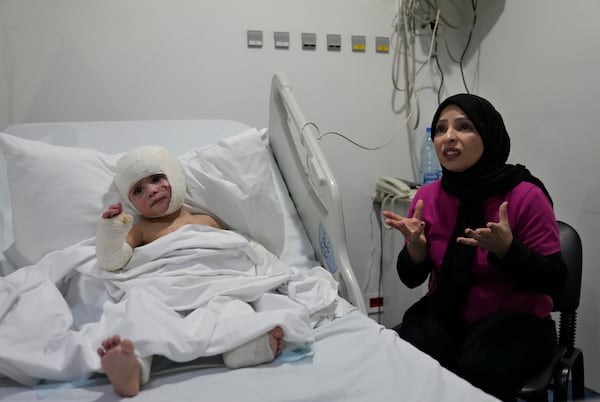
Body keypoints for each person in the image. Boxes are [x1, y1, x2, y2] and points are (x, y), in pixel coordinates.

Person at [382, 94, 567, 402]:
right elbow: (412, 278)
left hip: (518, 321)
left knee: (477, 371)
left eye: (463, 126)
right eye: (440, 130)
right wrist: (415, 249)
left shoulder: (525, 195)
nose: (448, 137)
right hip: (447, 313)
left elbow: (554, 280)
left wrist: (509, 251)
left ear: (488, 134)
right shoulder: (426, 197)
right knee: (403, 357)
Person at [94, 145, 284, 397]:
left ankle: (247, 347)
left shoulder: (206, 220)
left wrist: (264, 261)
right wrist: (111, 232)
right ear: (132, 203)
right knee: (141, 311)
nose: (151, 190)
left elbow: (237, 247)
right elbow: (114, 260)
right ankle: (133, 363)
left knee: (232, 308)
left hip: (215, 285)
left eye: (156, 179)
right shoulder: (140, 229)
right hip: (162, 288)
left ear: (174, 176)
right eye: (138, 190)